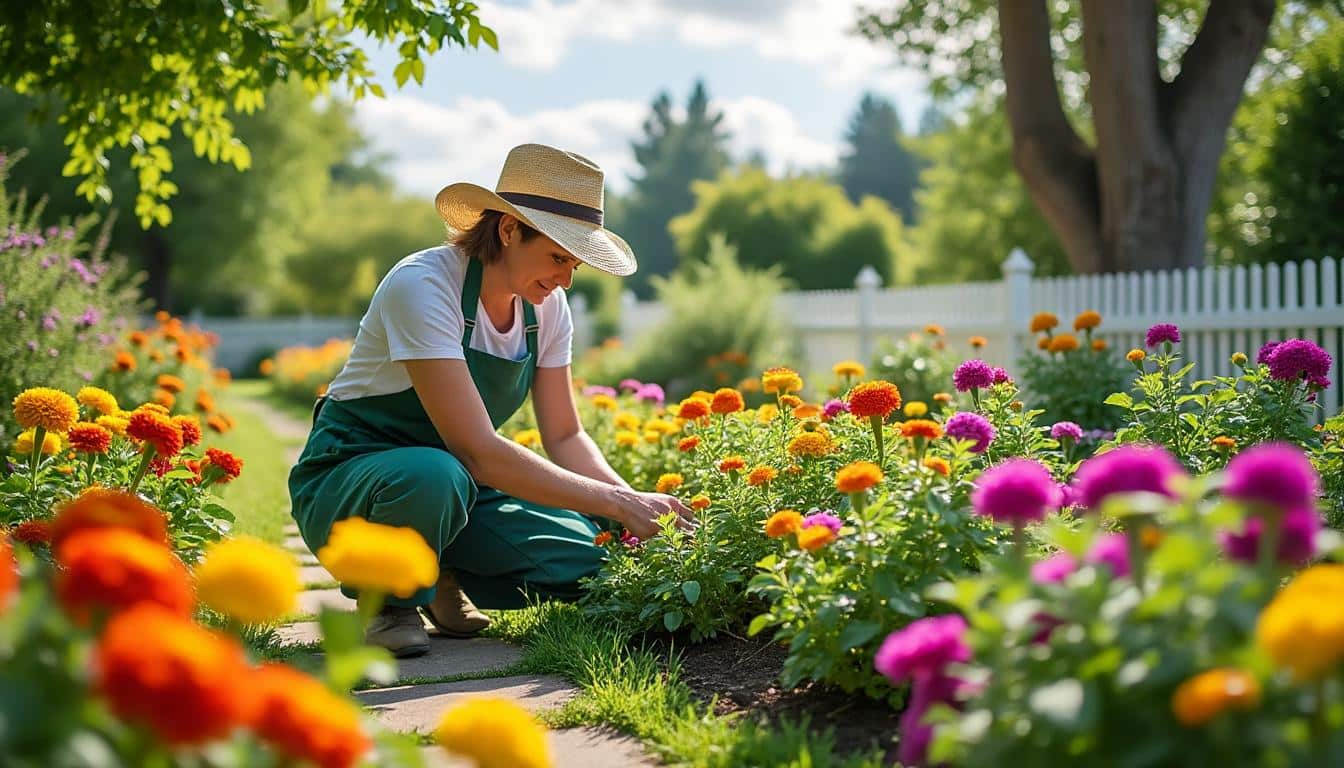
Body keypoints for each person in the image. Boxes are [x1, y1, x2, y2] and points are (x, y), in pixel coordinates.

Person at [288, 144, 693, 657]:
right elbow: (476, 448)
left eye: (576, 265)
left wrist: (634, 514)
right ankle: (388, 603)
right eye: (558, 257)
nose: (567, 278)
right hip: (356, 480)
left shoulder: (547, 308)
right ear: (507, 230)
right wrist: (622, 504)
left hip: (466, 484)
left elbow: (565, 435)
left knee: (593, 561)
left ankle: (437, 567)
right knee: (434, 474)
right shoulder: (423, 285)